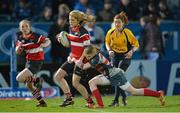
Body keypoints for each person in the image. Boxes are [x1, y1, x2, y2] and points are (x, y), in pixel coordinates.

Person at [75, 45, 165, 108]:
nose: (86, 57)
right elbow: (85, 57)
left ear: (92, 54)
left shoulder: (95, 59)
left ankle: (158, 94)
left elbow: (84, 66)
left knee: (134, 91)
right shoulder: (94, 55)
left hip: (116, 75)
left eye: (87, 56)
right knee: (91, 82)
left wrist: (73, 59)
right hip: (108, 76)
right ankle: (100, 105)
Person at [54, 10, 94, 107]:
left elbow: (88, 48)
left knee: (75, 83)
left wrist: (80, 60)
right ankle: (68, 98)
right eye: (69, 19)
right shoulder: (71, 29)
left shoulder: (84, 32)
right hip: (73, 58)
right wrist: (60, 38)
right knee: (58, 76)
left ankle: (90, 101)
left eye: (72, 20)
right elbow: (71, 43)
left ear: (78, 20)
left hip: (82, 60)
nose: (70, 21)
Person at [105, 12, 139, 106]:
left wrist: (131, 52)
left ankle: (116, 100)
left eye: (119, 22)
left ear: (123, 23)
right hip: (115, 56)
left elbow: (136, 45)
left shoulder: (127, 33)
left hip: (125, 57)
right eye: (115, 22)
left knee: (117, 74)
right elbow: (107, 43)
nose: (117, 24)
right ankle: (123, 96)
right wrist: (109, 50)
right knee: (116, 77)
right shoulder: (110, 32)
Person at [16, 19, 50, 107]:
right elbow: (18, 51)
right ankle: (42, 102)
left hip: (36, 62)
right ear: (20, 28)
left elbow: (48, 40)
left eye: (26, 26)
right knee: (29, 85)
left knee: (19, 78)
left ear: (30, 27)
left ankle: (38, 80)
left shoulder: (35, 36)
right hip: (29, 62)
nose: (24, 28)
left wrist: (43, 45)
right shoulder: (20, 38)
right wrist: (18, 49)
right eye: (22, 26)